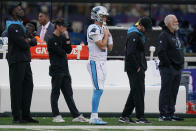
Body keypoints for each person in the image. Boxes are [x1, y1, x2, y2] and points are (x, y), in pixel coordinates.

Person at [47, 17, 89, 123]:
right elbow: (62, 52)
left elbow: (69, 50)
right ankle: (56, 115)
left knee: (68, 94)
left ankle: (76, 115)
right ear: (58, 26)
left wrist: (67, 37)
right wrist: (65, 44)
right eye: (64, 26)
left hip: (65, 69)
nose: (65, 28)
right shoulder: (51, 39)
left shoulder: (62, 37)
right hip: (56, 70)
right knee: (55, 93)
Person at [6, 2, 38, 123]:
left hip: (25, 60)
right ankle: (17, 116)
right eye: (19, 9)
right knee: (16, 89)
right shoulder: (12, 26)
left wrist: (28, 39)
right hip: (17, 60)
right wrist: (28, 39)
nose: (22, 10)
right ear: (14, 12)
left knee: (28, 87)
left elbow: (34, 41)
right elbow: (23, 44)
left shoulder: (21, 26)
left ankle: (25, 115)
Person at [119, 16, 152, 124]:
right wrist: (138, 66)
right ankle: (140, 117)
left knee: (135, 92)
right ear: (140, 26)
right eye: (145, 28)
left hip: (136, 67)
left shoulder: (137, 34)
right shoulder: (134, 35)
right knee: (139, 92)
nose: (147, 30)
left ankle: (125, 116)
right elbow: (130, 53)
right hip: (135, 68)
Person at [87, 6, 113, 125]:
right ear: (97, 16)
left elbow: (110, 48)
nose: (105, 17)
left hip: (103, 62)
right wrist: (106, 35)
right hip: (95, 61)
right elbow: (102, 46)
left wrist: (109, 36)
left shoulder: (103, 28)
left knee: (99, 89)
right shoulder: (93, 28)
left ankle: (95, 115)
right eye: (103, 15)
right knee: (98, 90)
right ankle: (93, 117)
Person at [157, 14, 184, 121]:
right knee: (166, 91)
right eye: (175, 21)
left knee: (173, 91)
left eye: (177, 21)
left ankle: (171, 113)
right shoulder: (164, 35)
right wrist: (169, 64)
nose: (177, 23)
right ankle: (163, 114)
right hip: (168, 68)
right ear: (168, 23)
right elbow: (161, 52)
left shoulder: (175, 34)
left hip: (177, 68)